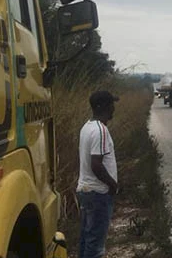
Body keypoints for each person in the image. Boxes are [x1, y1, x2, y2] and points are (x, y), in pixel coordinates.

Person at [76, 90, 119, 258]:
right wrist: (112, 184)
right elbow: (96, 165)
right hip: (98, 194)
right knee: (95, 246)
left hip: (86, 192)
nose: (113, 108)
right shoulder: (100, 130)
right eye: (111, 104)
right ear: (104, 107)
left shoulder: (87, 127)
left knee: (87, 240)